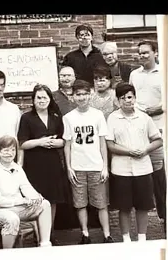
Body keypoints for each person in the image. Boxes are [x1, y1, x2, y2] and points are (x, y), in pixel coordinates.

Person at [105, 83, 162, 243]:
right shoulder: (113, 118)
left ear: (135, 98)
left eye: (130, 97)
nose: (127, 101)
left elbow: (157, 140)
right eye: (122, 98)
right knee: (124, 206)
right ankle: (126, 238)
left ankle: (142, 238)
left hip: (143, 168)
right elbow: (110, 144)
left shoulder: (144, 117)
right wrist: (129, 151)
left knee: (143, 205)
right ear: (117, 101)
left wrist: (145, 150)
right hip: (121, 169)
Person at [0, 134, 54, 249]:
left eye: (12, 150)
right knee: (11, 218)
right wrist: (21, 201)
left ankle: (45, 245)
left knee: (45, 204)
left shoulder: (17, 168)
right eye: (5, 150)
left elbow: (27, 188)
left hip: (16, 208)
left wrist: (36, 198)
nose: (9, 153)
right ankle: (8, 253)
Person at [62, 81, 112, 244]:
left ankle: (107, 235)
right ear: (73, 96)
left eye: (84, 94)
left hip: (96, 166)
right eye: (78, 94)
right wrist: (69, 167)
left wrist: (105, 166)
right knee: (80, 203)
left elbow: (102, 142)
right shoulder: (68, 118)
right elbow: (67, 145)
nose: (81, 97)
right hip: (78, 167)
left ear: (90, 94)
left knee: (102, 203)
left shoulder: (97, 115)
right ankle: (85, 233)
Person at [16, 83, 68, 236]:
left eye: (45, 97)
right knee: (39, 200)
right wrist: (40, 141)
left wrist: (57, 142)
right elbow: (22, 143)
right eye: (38, 98)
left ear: (50, 100)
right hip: (34, 165)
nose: (41, 100)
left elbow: (64, 140)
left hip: (53, 164)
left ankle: (49, 235)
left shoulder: (56, 118)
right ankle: (38, 236)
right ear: (33, 100)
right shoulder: (26, 118)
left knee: (52, 201)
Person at [130, 41, 166, 225]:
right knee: (143, 174)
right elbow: (130, 98)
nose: (142, 56)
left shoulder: (164, 73)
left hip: (159, 129)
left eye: (145, 53)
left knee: (160, 176)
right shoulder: (134, 75)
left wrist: (158, 108)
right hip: (138, 130)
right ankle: (144, 218)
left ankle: (165, 216)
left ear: (155, 53)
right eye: (139, 53)